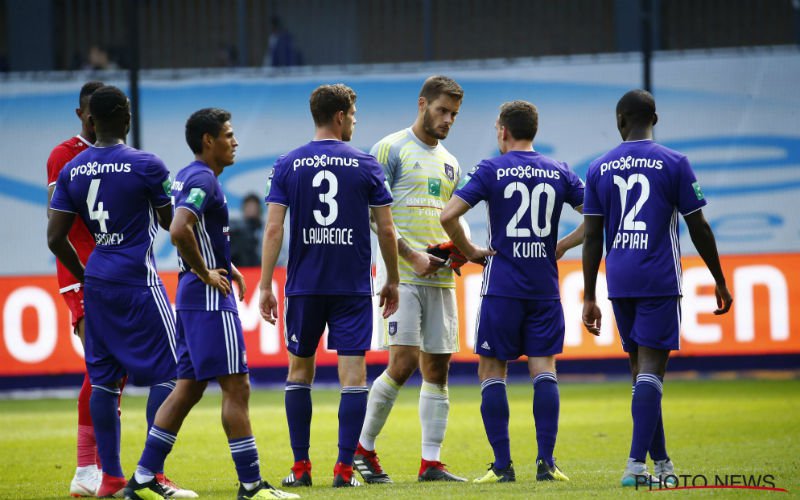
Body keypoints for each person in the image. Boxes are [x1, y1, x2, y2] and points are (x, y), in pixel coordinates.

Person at [124, 108, 298, 500]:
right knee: (237, 386)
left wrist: (224, 265)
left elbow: (196, 231)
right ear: (208, 140)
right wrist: (207, 272)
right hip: (206, 299)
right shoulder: (203, 177)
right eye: (228, 135)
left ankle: (143, 478)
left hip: (190, 295)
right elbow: (179, 228)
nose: (235, 142)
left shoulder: (189, 175)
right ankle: (252, 486)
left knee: (187, 388)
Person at [47, 85, 193, 499]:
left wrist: (85, 273)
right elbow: (171, 225)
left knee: (105, 381)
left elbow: (55, 237)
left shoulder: (73, 169)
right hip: (137, 283)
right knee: (174, 373)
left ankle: (109, 477)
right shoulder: (145, 164)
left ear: (91, 120)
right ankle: (152, 474)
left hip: (98, 283)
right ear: (127, 119)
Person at [581, 89, 733, 487]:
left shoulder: (598, 168)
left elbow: (592, 236)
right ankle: (635, 466)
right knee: (652, 371)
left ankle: (662, 464)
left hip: (620, 279)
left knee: (639, 373)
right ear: (656, 118)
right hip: (659, 277)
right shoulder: (675, 163)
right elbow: (698, 225)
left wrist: (589, 295)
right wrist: (718, 277)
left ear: (619, 120)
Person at [259, 84, 399, 488]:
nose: (355, 121)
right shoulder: (366, 164)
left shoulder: (287, 164)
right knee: (353, 377)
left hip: (304, 285)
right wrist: (391, 278)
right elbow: (386, 231)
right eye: (353, 115)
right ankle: (342, 469)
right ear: (339, 116)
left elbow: (273, 228)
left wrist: (267, 284)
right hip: (352, 287)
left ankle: (300, 468)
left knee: (299, 371)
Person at [440, 100, 584, 483]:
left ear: (503, 130)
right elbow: (597, 218)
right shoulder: (560, 171)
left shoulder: (491, 169)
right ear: (533, 131)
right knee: (544, 370)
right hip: (543, 288)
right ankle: (547, 463)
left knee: (492, 371)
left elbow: (447, 215)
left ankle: (502, 466)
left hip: (501, 287)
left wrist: (469, 252)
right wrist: (565, 244)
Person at [354, 75, 467, 484]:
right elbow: (372, 213)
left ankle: (431, 463)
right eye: (442, 110)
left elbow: (451, 217)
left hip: (438, 277)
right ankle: (361, 449)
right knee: (401, 364)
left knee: (438, 368)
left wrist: (459, 250)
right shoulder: (390, 149)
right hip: (400, 275)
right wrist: (410, 255)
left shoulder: (451, 162)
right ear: (422, 104)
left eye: (453, 114)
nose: (448, 120)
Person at [46, 80, 105, 497]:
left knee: (113, 374)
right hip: (81, 275)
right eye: (91, 113)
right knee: (100, 369)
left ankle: (105, 468)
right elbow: (57, 225)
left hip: (114, 276)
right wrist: (82, 273)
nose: (97, 120)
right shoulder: (64, 156)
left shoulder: (116, 156)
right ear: (81, 114)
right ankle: (87, 469)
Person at [230, 193, 264, 267]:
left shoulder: (267, 230)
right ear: (243, 209)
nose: (251, 210)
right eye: (248, 207)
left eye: (254, 207)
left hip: (260, 268)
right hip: (238, 268)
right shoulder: (235, 228)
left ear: (259, 210)